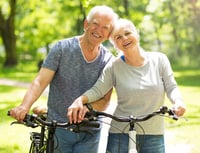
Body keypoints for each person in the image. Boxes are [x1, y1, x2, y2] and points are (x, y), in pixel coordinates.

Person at [9, 5, 118, 153]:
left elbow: (105, 100)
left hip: (90, 132)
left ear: (109, 34)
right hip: (59, 128)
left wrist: (86, 109)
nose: (99, 30)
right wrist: (24, 106)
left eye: (105, 27)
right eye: (95, 24)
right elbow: (40, 81)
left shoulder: (108, 60)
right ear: (86, 24)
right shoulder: (62, 48)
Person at [68, 18, 186, 153]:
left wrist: (179, 101)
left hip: (154, 134)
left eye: (128, 33)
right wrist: (80, 100)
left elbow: (171, 87)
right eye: (118, 37)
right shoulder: (113, 66)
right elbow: (98, 89)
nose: (124, 39)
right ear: (114, 44)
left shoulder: (159, 60)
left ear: (136, 33)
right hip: (120, 133)